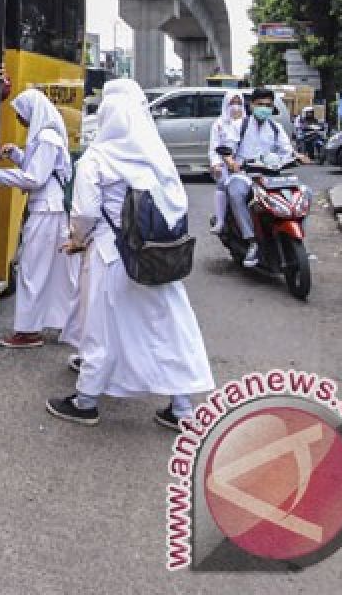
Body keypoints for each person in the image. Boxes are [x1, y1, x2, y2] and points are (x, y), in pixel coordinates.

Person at [47, 80, 214, 430]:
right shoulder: (157, 157)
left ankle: (86, 400)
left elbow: (85, 214)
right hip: (156, 258)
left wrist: (77, 239)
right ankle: (182, 408)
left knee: (102, 329)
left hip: (111, 256)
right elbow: (178, 206)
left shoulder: (98, 157)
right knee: (166, 326)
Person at [0, 89, 79, 349]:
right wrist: (17, 156)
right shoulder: (46, 136)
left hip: (45, 211)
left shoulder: (46, 138)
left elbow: (35, 178)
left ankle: (28, 331)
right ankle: (72, 324)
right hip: (51, 210)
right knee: (59, 272)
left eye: (20, 113)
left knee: (32, 268)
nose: (19, 119)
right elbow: (40, 168)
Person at [226, 87, 305, 267]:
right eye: (260, 104)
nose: (264, 108)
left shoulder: (276, 128)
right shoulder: (240, 125)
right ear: (252, 105)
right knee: (236, 192)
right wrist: (231, 161)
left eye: (268, 105)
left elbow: (287, 150)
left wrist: (297, 156)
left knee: (303, 193)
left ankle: (298, 240)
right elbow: (228, 148)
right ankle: (251, 240)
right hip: (245, 175)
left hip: (271, 176)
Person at [208, 90, 245, 234]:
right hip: (225, 163)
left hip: (245, 163)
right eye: (232, 103)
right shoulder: (219, 124)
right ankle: (221, 220)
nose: (236, 106)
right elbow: (214, 147)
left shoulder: (248, 123)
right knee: (222, 184)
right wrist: (216, 164)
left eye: (239, 103)